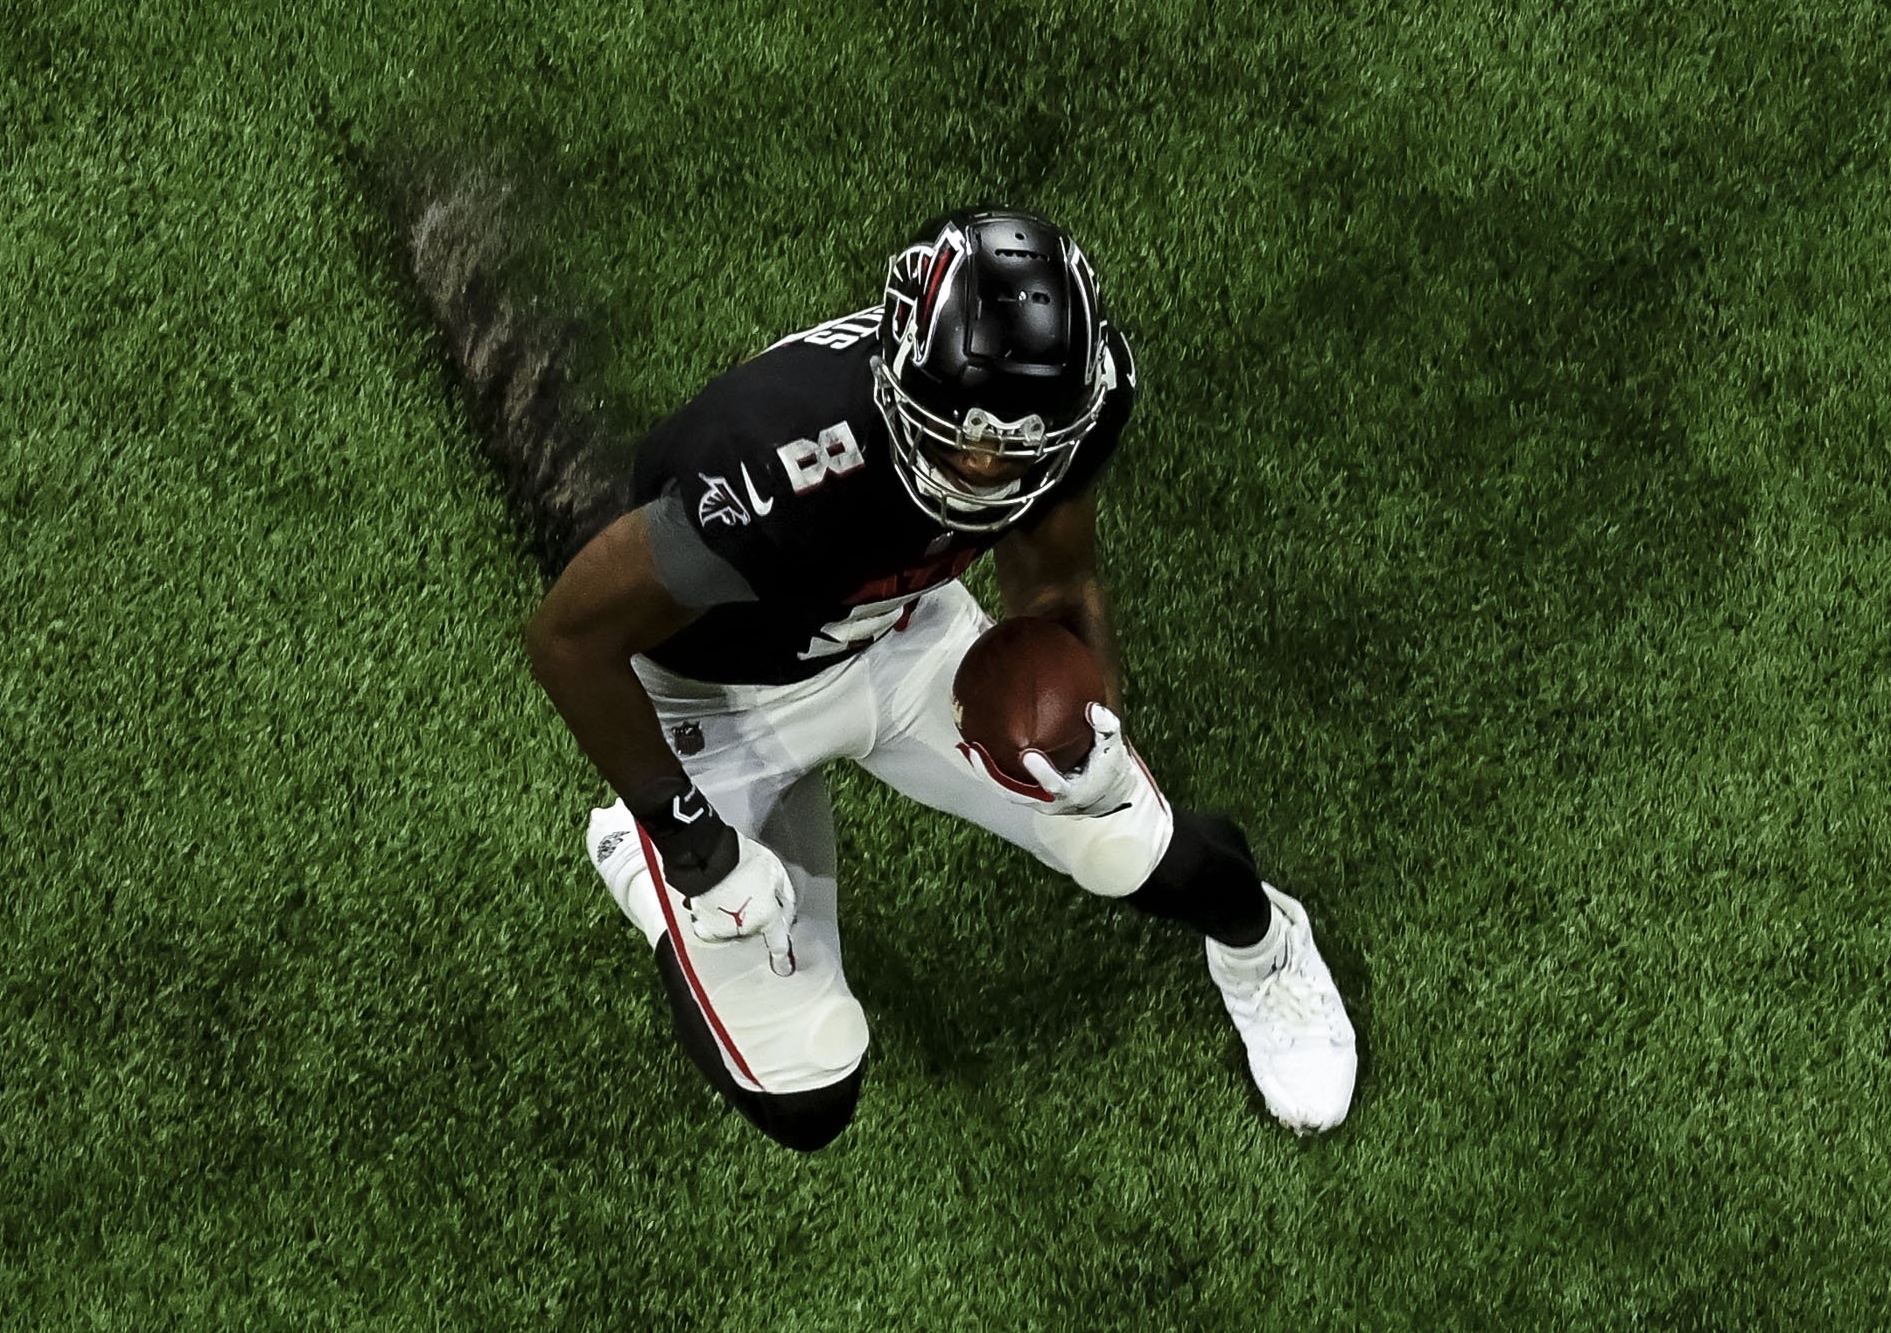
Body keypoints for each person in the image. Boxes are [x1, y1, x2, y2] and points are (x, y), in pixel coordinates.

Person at [408, 187, 1357, 1150]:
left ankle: (1266, 949)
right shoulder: (772, 464)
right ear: (902, 380)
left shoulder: (1081, 391)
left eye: (1020, 451)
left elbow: (1058, 580)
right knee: (807, 1099)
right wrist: (691, 842)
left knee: (1124, 841)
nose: (989, 472)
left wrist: (1088, 724)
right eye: (967, 440)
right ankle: (646, 871)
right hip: (719, 699)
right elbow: (568, 638)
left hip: (902, 633)